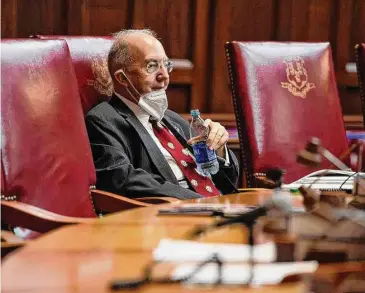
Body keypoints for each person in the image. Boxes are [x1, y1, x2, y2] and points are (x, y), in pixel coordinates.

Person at [85, 29, 239, 200]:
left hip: (221, 208)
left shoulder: (173, 119)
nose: (164, 76)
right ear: (122, 78)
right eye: (151, 66)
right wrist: (199, 202)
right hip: (172, 217)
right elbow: (122, 180)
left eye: (166, 65)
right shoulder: (103, 120)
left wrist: (218, 150)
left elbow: (228, 183)